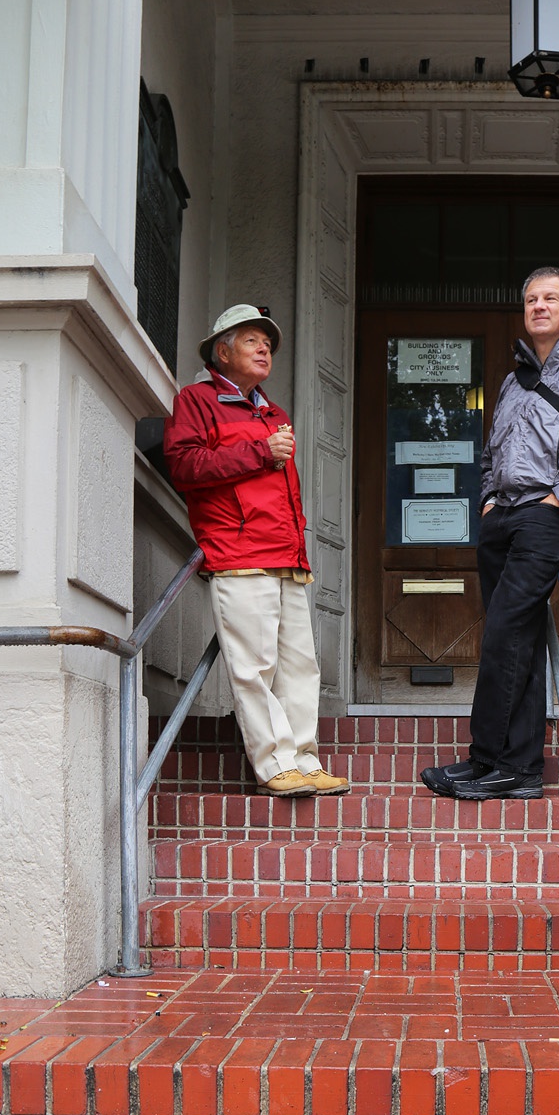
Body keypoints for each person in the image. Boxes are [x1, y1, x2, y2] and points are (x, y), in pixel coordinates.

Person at [421, 268, 559, 801]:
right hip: (504, 517)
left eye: (550, 298)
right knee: (514, 635)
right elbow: (492, 452)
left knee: (505, 631)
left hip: (553, 515)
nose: (539, 306)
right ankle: (513, 766)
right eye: (531, 299)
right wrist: (488, 500)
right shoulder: (511, 381)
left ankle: (494, 762)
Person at [164, 304, 349, 799]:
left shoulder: (273, 411)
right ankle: (274, 764)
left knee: (300, 667)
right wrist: (259, 452)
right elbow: (184, 466)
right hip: (237, 552)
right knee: (255, 667)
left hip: (284, 555)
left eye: (267, 343)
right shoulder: (196, 400)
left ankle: (305, 761)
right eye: (252, 340)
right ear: (222, 353)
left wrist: (298, 547)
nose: (264, 349)